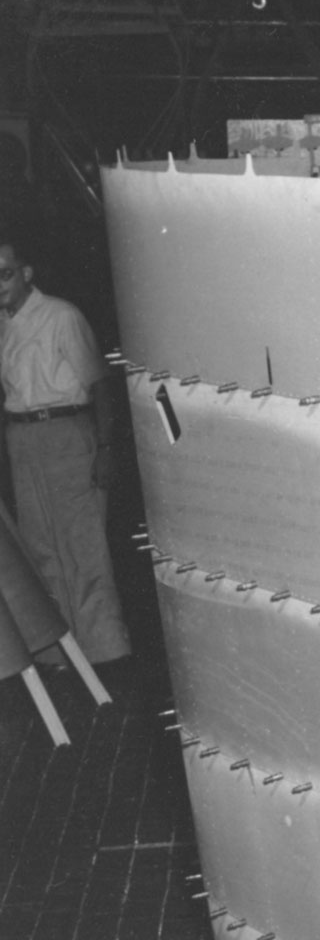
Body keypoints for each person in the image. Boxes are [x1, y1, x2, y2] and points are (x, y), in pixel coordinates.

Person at [0, 238, 130, 667]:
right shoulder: (3, 325)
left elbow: (99, 385)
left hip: (67, 434)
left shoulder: (61, 315)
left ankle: (106, 655)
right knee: (40, 548)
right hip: (23, 439)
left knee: (83, 546)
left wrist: (107, 449)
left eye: (4, 274)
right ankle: (61, 657)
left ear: (25, 273)